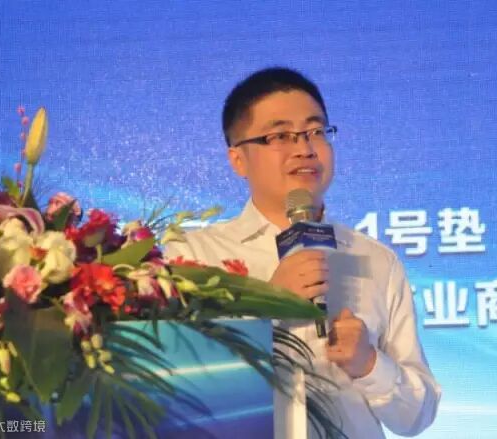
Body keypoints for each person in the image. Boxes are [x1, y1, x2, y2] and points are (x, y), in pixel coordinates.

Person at [164, 67, 441, 438]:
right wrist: (266, 306)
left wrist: (370, 364)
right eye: (280, 136)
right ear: (238, 159)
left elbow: (417, 416)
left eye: (316, 132)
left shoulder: (375, 260)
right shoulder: (192, 257)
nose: (304, 149)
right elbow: (174, 391)